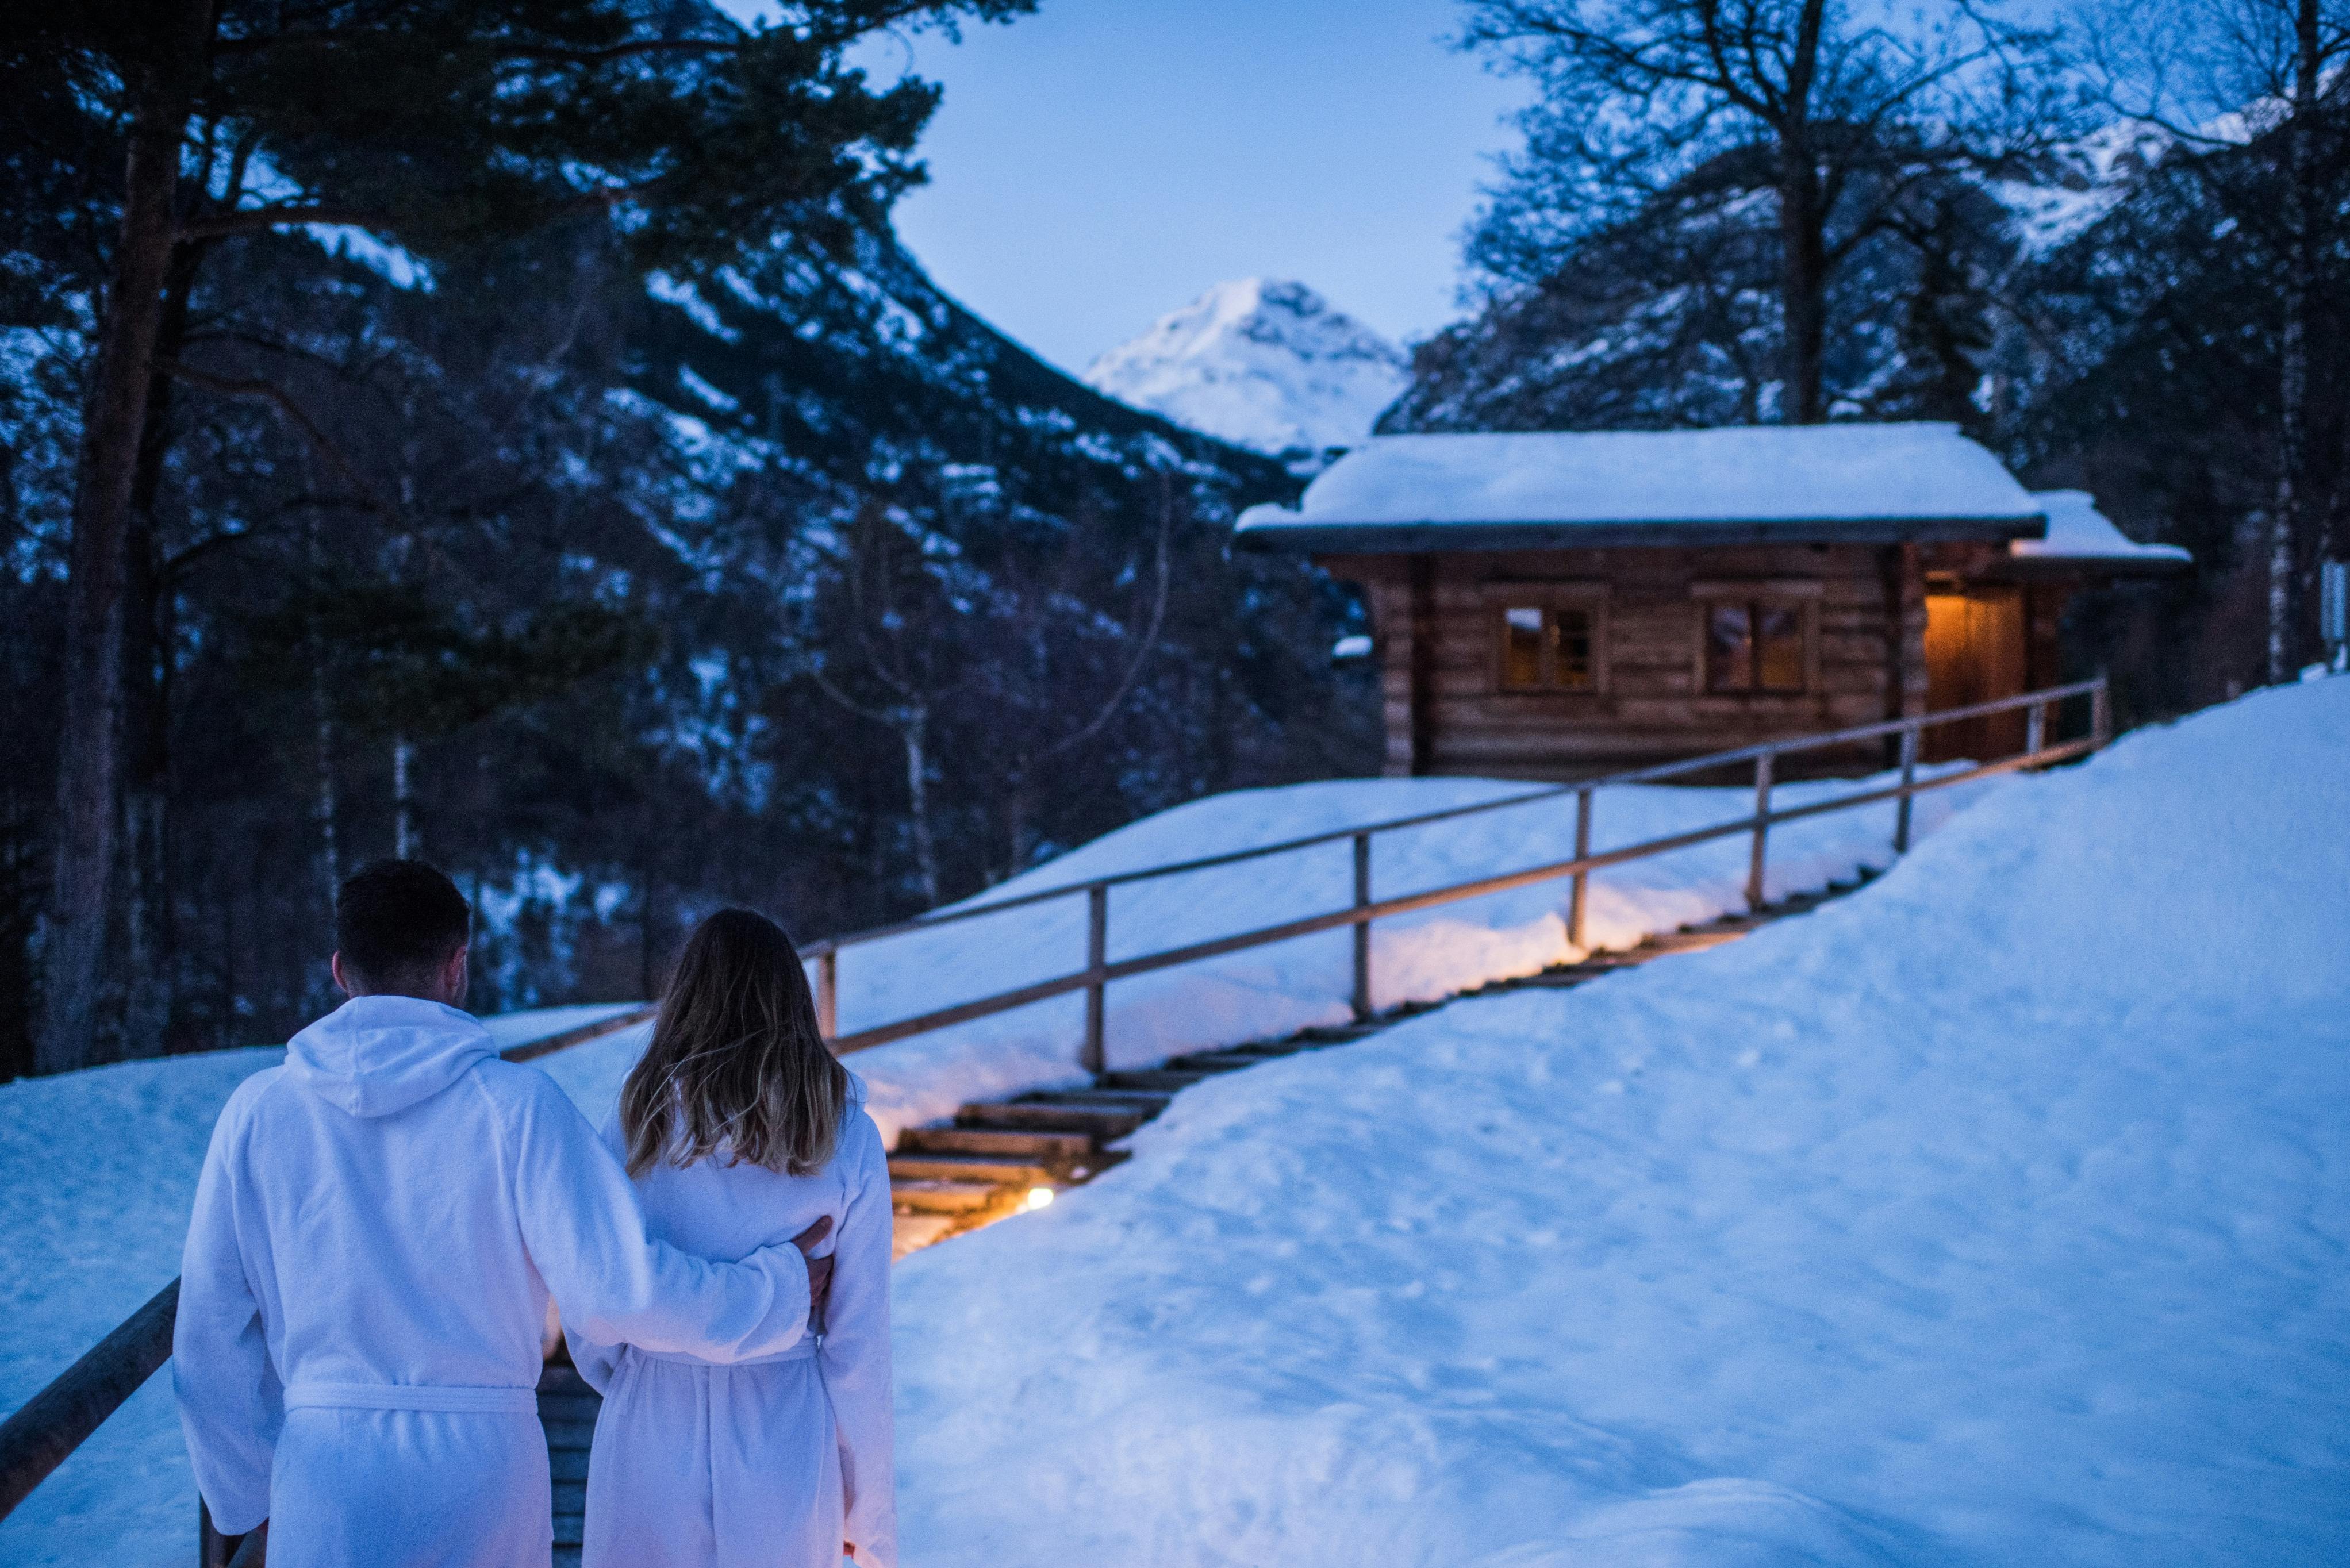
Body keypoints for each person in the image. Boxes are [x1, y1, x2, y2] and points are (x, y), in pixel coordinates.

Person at [174, 860, 836, 1567]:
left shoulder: (257, 1113)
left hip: (324, 1475)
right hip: (480, 1474)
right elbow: (624, 1292)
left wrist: (249, 1500)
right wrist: (777, 1289)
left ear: (341, 970)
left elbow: (210, 1335)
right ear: (456, 967)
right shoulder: (519, 1109)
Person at [568, 908, 895, 1568]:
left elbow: (593, 1307)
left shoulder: (635, 1124)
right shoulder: (844, 1135)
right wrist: (871, 1520)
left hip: (651, 1419)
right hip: (783, 1422)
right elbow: (860, 1347)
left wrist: (646, 1368)